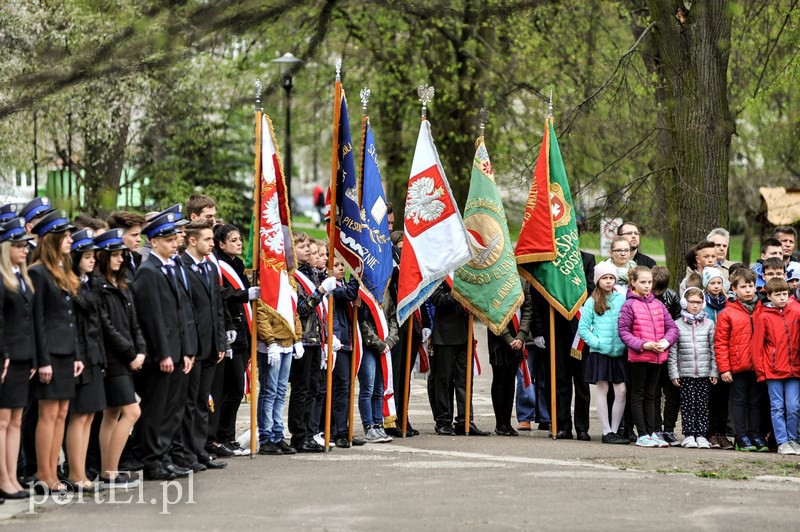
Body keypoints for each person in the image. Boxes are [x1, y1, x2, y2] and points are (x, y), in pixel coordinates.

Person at [132, 212, 195, 480]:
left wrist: (188, 350)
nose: (174, 244)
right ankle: (152, 460)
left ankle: (165, 455)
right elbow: (152, 317)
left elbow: (183, 313)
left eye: (174, 239)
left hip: (179, 351)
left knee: (173, 407)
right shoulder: (149, 271)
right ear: (153, 241)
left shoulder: (171, 267)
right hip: (164, 353)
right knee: (156, 408)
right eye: (168, 240)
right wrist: (164, 353)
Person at [29, 210, 84, 493]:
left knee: (62, 412)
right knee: (48, 414)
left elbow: (68, 317)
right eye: (66, 236)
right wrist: (42, 360)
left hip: (66, 352)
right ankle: (44, 473)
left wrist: (76, 354)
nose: (70, 240)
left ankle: (53, 473)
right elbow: (37, 320)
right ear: (52, 239)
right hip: (50, 354)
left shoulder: (62, 270)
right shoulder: (37, 272)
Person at [173, 219, 228, 471]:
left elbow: (216, 308)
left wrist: (220, 342)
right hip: (192, 347)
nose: (212, 244)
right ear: (192, 240)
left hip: (209, 346)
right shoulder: (181, 267)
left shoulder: (209, 268)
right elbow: (184, 312)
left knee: (203, 401)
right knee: (191, 402)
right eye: (207, 239)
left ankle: (200, 449)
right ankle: (187, 452)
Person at [93, 229, 144, 489]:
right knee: (132, 411)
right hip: (113, 359)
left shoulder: (120, 283)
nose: (119, 259)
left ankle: (108, 470)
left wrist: (141, 349)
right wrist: (130, 353)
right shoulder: (98, 285)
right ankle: (110, 471)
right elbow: (106, 326)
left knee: (112, 414)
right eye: (113, 255)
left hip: (126, 357)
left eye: (121, 255)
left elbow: (133, 322)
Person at [207, 224, 258, 457]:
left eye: (240, 239)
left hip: (242, 330)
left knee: (235, 389)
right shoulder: (218, 264)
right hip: (230, 331)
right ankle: (220, 436)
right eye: (234, 240)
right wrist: (244, 294)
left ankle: (226, 436)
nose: (239, 243)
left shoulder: (236, 264)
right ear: (221, 244)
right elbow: (220, 294)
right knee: (233, 388)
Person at [618, 266, 679, 447]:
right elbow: (623, 332)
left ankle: (652, 433)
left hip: (658, 357)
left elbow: (672, 328)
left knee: (652, 395)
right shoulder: (629, 305)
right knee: (638, 394)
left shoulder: (658, 304)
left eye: (649, 282)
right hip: (639, 358)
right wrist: (643, 345)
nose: (647, 286)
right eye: (642, 282)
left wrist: (665, 343)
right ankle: (642, 434)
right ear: (633, 283)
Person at [66, 229, 107, 492]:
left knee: (90, 416)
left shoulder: (91, 282)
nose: (93, 260)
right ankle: (75, 473)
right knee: (79, 416)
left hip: (94, 354)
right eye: (88, 256)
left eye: (94, 256)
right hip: (80, 355)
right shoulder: (71, 283)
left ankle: (82, 475)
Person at [0, 217, 36, 499]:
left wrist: (34, 356)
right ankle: (4, 478)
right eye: (19, 245)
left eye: (25, 245)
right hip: (8, 358)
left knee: (15, 420)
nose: (25, 250)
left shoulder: (21, 277)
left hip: (24, 356)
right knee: (3, 421)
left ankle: (12, 477)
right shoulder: (2, 278)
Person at [715, 268, 767, 452]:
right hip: (738, 366)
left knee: (755, 401)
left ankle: (755, 434)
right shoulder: (727, 313)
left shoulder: (763, 309)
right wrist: (724, 369)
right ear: (734, 289)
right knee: (739, 401)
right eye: (743, 287)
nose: (748, 290)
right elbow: (720, 343)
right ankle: (741, 436)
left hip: (759, 366)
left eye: (751, 286)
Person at [289, 232, 332, 453]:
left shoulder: (312, 273)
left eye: (309, 246)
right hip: (303, 340)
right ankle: (298, 435)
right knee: (301, 389)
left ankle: (308, 432)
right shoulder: (294, 277)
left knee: (314, 389)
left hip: (317, 340)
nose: (307, 250)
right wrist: (320, 292)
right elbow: (302, 309)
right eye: (302, 246)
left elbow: (322, 313)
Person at [577, 262, 628, 444]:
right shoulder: (592, 301)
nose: (608, 281)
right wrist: (597, 343)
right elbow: (583, 329)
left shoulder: (621, 299)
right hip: (600, 352)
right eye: (605, 278)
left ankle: (615, 430)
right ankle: (606, 430)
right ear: (598, 280)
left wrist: (624, 342)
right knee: (603, 388)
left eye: (611, 278)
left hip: (618, 351)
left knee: (621, 390)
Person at [429, 282, 489, 436]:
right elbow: (437, 299)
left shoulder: (465, 271)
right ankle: (443, 421)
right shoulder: (441, 270)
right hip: (445, 335)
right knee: (444, 381)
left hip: (464, 333)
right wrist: (460, 294)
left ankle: (465, 420)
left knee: (465, 381)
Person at [751, 278, 800, 455]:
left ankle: (794, 440)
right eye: (777, 294)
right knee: (777, 407)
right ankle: (782, 441)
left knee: (794, 407)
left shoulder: (797, 312)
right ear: (769, 296)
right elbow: (756, 347)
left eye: (785, 294)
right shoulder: (763, 317)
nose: (782, 298)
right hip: (773, 370)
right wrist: (761, 371)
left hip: (794, 369)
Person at [668, 287, 718, 449]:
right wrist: (674, 373)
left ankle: (702, 435)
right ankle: (689, 434)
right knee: (688, 405)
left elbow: (714, 349)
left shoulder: (709, 324)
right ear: (684, 303)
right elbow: (673, 352)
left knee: (703, 405)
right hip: (686, 373)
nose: (695, 306)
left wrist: (714, 370)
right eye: (691, 302)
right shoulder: (677, 325)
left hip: (704, 373)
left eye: (698, 302)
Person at [255, 288, 302, 455]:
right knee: (269, 391)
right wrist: (269, 341)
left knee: (281, 392)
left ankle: (277, 434)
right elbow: (261, 313)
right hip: (272, 344)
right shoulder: (267, 279)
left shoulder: (289, 281)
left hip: (288, 342)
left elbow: (293, 313)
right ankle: (266, 437)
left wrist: (297, 337)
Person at [486, 288, 531, 437]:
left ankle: (507, 422)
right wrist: (508, 338)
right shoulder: (495, 278)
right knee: (500, 378)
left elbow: (527, 310)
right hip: (498, 338)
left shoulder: (523, 281)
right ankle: (500, 423)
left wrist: (521, 335)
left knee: (511, 379)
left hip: (518, 337)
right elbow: (492, 310)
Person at [702, 266, 733, 449]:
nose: (716, 286)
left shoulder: (727, 303)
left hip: (723, 356)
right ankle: (709, 433)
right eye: (712, 283)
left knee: (722, 397)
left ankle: (721, 433)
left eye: (718, 283)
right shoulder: (702, 304)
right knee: (709, 397)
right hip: (706, 356)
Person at [651, 266, 681, 446]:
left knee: (672, 392)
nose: (657, 293)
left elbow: (676, 322)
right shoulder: (646, 298)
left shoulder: (673, 296)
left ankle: (669, 428)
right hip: (652, 349)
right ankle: (655, 427)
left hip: (670, 349)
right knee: (653, 392)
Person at [107, 211, 146, 283]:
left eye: (139, 235)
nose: (139, 240)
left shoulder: (135, 258)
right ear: (120, 236)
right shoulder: (112, 264)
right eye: (134, 235)